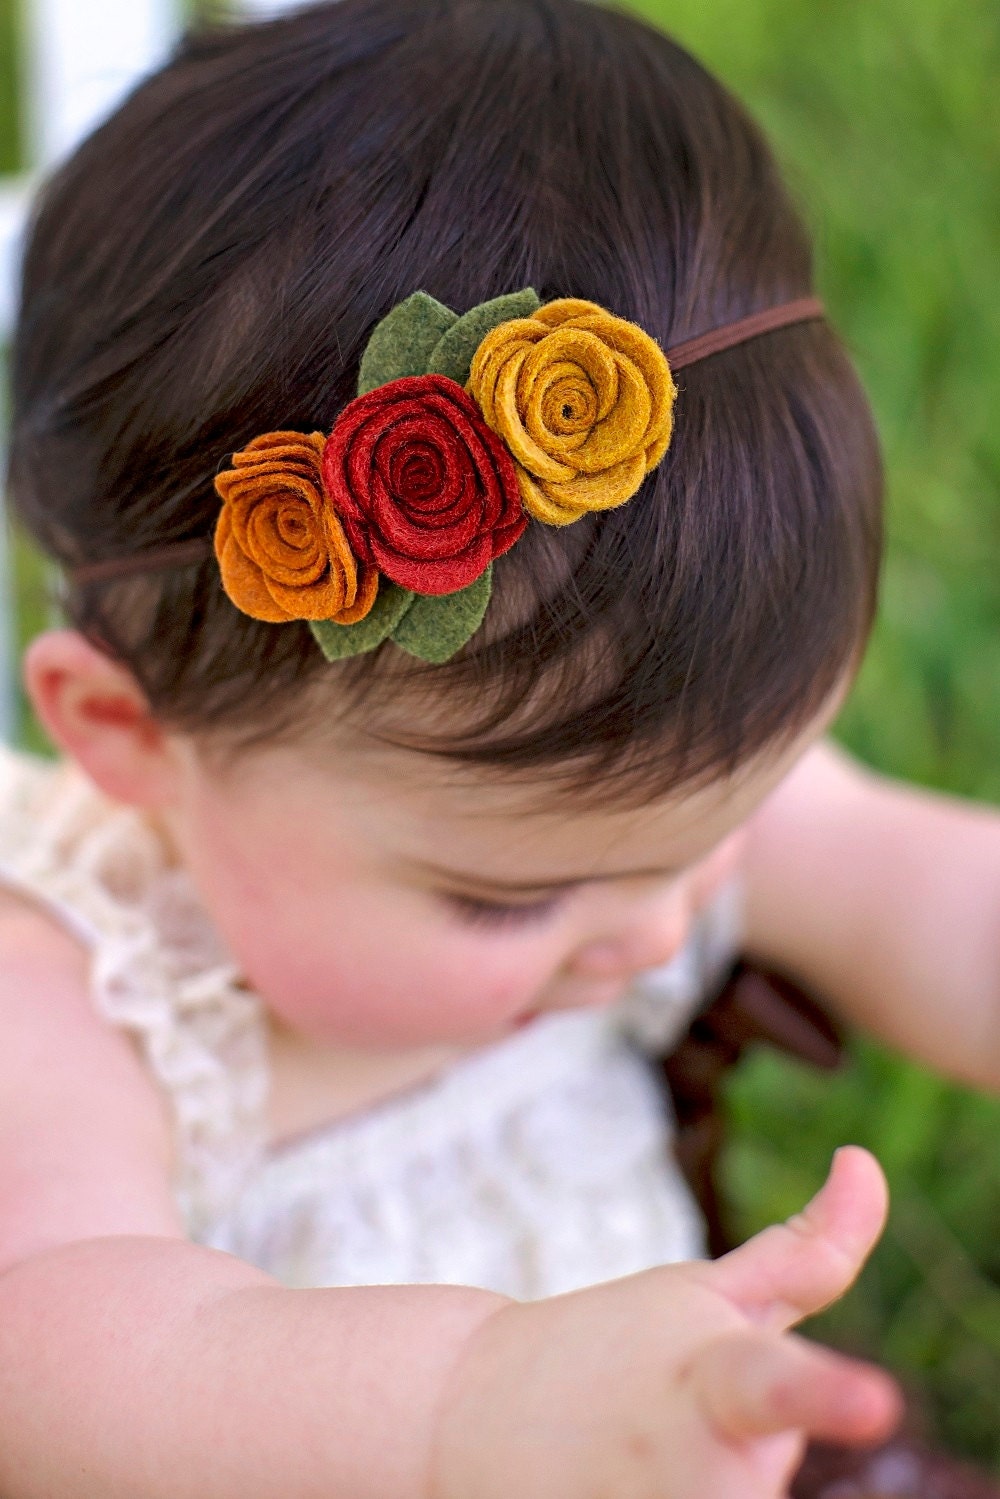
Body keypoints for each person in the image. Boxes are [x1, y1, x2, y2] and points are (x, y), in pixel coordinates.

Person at [1, 0, 998, 1494]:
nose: (656, 931)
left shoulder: (620, 822)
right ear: (127, 735)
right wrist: (469, 1405)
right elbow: (53, 1352)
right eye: (502, 900)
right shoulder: (77, 988)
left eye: (710, 839)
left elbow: (918, 890)